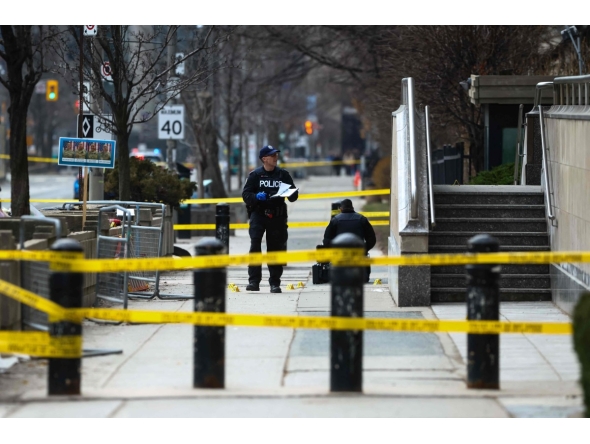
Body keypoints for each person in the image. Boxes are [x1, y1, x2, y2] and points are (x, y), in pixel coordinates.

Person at [242, 145, 299, 293]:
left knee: (274, 249)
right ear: (264, 159)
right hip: (259, 214)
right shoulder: (255, 175)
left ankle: (275, 283)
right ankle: (254, 281)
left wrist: (290, 193)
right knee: (255, 246)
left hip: (277, 216)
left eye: (276, 155)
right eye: (272, 155)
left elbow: (293, 197)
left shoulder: (283, 175)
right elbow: (246, 195)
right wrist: (256, 197)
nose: (275, 158)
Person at [322, 198, 376, 282]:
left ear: (341, 209)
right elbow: (372, 239)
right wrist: (364, 249)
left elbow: (326, 240)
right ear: (352, 207)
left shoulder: (335, 220)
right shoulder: (362, 219)